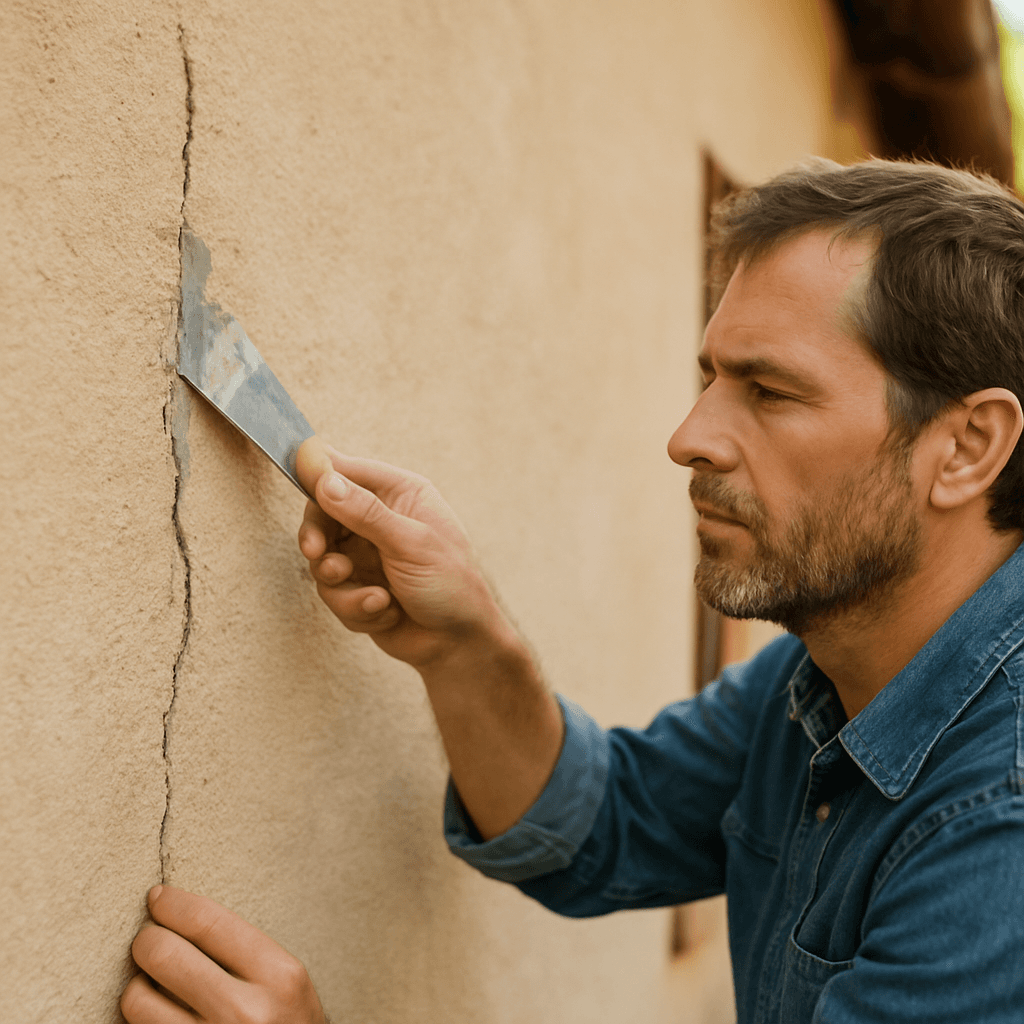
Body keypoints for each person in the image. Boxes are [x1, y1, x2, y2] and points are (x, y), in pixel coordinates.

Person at [122, 158, 1024, 1023]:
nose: (690, 436)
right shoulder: (828, 674)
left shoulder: (1001, 831)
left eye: (772, 391)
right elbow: (598, 830)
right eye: (709, 377)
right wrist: (462, 639)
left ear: (968, 446)